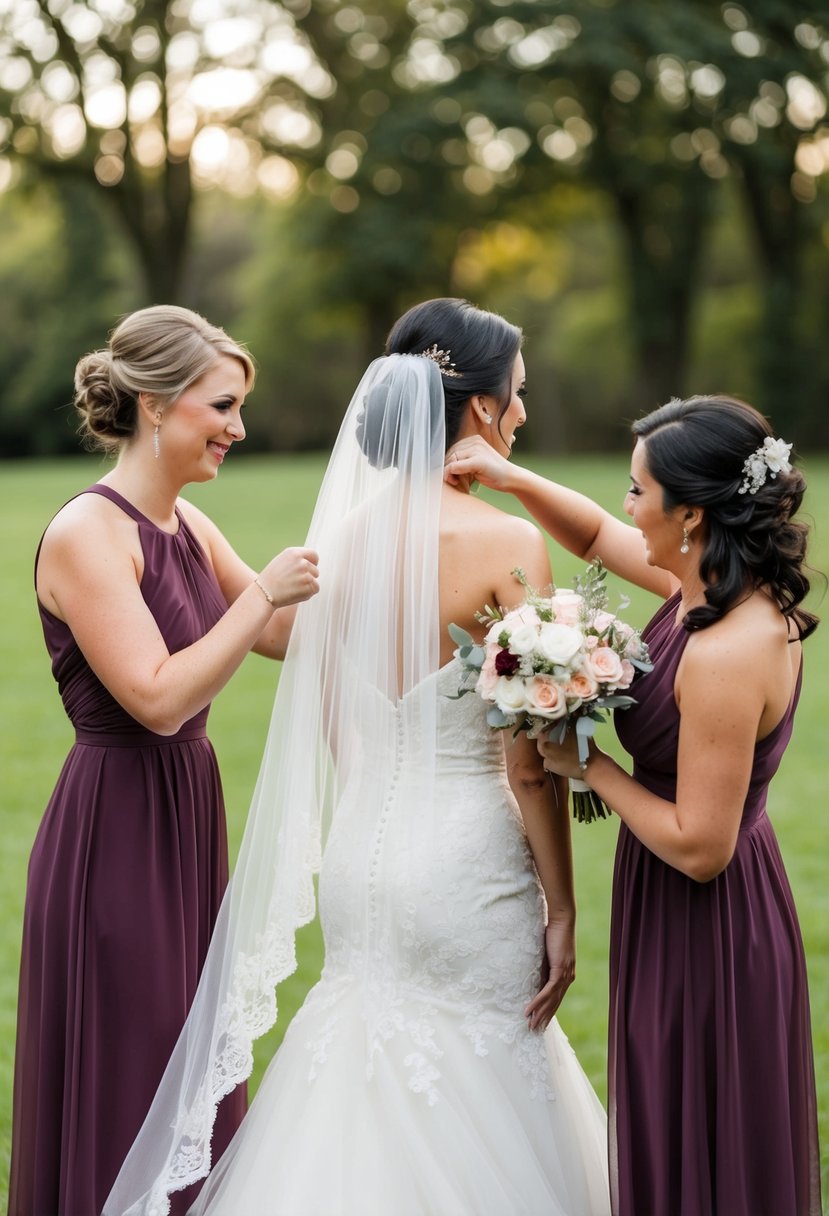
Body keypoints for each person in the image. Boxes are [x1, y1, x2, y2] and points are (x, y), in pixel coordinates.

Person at [104, 298, 611, 1215]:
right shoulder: (505, 543)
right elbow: (527, 760)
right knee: (482, 1087)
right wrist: (564, 908)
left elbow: (337, 728)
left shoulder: (335, 544)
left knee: (350, 1086)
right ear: (480, 411)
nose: (524, 415)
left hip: (358, 864)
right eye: (517, 397)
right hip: (466, 863)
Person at [446, 396, 822, 1216]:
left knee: (704, 1132)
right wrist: (509, 477)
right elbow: (587, 536)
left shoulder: (728, 648)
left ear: (687, 513)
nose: (623, 507)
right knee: (673, 1115)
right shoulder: (707, 586)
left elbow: (699, 845)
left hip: (709, 919)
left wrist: (590, 766)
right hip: (676, 905)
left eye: (634, 490)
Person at [8, 305, 320, 1216]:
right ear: (156, 404)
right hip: (115, 829)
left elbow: (282, 636)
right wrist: (262, 592)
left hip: (186, 821)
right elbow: (156, 695)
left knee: (192, 1054)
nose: (238, 427)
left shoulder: (187, 523)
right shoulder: (86, 533)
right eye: (222, 405)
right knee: (135, 1057)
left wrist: (402, 581)